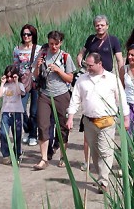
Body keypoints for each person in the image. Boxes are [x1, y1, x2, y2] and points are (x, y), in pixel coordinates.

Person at [66, 53, 130, 194]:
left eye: (90, 65)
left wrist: (126, 118)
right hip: (89, 121)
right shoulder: (82, 79)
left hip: (107, 121)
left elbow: (121, 99)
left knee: (105, 151)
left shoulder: (112, 79)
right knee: (94, 152)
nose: (87, 68)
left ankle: (103, 181)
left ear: (99, 64)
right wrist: (70, 117)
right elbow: (75, 99)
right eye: (86, 65)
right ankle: (101, 174)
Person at [76, 14, 124, 171]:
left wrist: (120, 78)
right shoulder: (91, 39)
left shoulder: (113, 40)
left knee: (104, 119)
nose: (100, 27)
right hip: (90, 81)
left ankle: (105, 160)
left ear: (107, 26)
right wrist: (80, 62)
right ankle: (86, 160)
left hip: (106, 80)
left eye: (102, 25)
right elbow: (81, 52)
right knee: (88, 120)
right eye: (97, 25)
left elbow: (119, 60)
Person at [32, 31, 75, 170]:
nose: (53, 46)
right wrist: (38, 66)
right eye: (51, 43)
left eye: (56, 44)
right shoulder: (42, 54)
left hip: (61, 94)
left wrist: (58, 70)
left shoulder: (65, 57)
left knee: (62, 126)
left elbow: (70, 78)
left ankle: (63, 156)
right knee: (43, 125)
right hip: (44, 94)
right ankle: (44, 158)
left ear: (60, 43)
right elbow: (35, 76)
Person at [13, 24, 42, 147]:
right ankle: (27, 129)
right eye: (24, 34)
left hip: (35, 81)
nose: (26, 36)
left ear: (33, 35)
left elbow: (42, 65)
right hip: (22, 82)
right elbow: (15, 66)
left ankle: (33, 136)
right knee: (20, 109)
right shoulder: (17, 49)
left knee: (34, 111)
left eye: (28, 34)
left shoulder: (39, 49)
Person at [0, 65, 25, 165]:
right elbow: (0, 95)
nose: (9, 79)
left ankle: (17, 153)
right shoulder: (5, 86)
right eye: (7, 77)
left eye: (11, 77)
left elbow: (19, 93)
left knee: (17, 134)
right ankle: (5, 154)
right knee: (3, 133)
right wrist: (2, 83)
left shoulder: (20, 85)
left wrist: (17, 81)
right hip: (5, 111)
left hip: (16, 112)